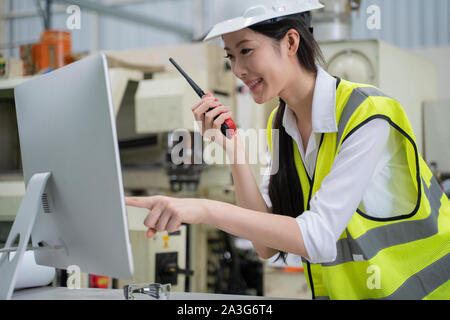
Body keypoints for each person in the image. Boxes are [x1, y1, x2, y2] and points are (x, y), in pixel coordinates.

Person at [126, 0, 450, 299]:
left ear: (291, 43)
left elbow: (318, 237)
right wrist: (234, 150)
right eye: (230, 56)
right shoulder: (280, 124)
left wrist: (201, 209)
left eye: (246, 50)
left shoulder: (367, 111)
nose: (238, 69)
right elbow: (265, 246)